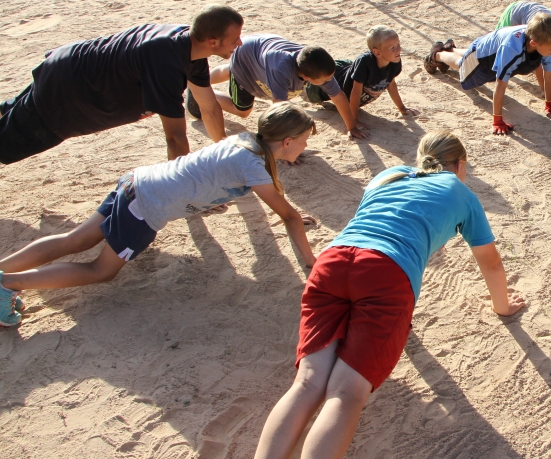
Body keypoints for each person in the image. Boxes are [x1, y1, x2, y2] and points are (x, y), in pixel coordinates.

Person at [242, 130, 525, 459]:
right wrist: (502, 307)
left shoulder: (387, 174)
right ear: (461, 166)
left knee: (308, 383)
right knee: (345, 393)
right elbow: (489, 261)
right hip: (385, 273)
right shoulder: (460, 192)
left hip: (333, 260)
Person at [0, 103, 319, 328]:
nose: (304, 147)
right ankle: (7, 284)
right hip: (145, 208)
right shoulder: (253, 165)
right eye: (304, 141)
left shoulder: (246, 141)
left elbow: (205, 173)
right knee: (101, 270)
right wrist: (310, 261)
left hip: (136, 183)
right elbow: (287, 216)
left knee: (75, 239)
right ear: (287, 141)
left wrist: (205, 201)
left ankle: (3, 273)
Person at [0, 5, 241, 165]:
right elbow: (175, 138)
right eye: (234, 39)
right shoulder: (165, 62)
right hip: (65, 96)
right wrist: (184, 190)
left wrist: (224, 151)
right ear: (212, 41)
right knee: (8, 146)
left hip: (66, 68)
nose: (239, 43)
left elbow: (208, 108)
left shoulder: (192, 50)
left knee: (13, 113)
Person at [423, 13, 551, 135]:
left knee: (467, 57)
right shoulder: (512, 49)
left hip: (494, 50)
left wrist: (550, 104)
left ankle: (451, 48)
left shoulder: (545, 43)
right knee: (462, 67)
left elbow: (549, 74)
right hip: (483, 57)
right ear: (533, 43)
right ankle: (438, 53)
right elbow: (500, 84)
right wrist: (497, 120)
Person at [201, 34, 365, 137]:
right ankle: (202, 91)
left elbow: (338, 97)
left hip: (256, 48)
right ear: (306, 77)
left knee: (229, 69)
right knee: (243, 111)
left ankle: (199, 82)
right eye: (325, 80)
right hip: (245, 57)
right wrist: (285, 148)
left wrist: (351, 127)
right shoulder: (281, 71)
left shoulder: (313, 63)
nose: (329, 81)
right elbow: (280, 111)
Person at [305, 26, 418, 139]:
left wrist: (402, 108)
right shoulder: (365, 62)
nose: (398, 50)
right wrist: (355, 121)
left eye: (398, 44)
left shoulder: (394, 60)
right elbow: (355, 92)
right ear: (377, 53)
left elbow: (391, 85)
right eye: (392, 47)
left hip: (349, 69)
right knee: (306, 90)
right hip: (332, 80)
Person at [494, 0, 551, 90]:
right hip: (513, 13)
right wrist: (543, 90)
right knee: (498, 47)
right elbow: (538, 65)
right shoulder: (543, 36)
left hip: (531, 10)